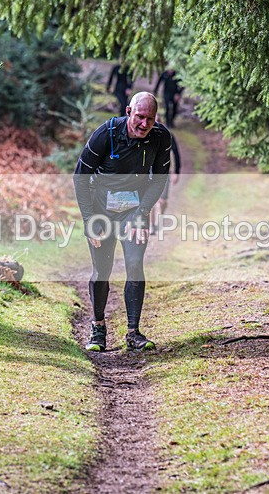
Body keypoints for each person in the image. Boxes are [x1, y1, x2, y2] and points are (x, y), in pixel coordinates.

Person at [73, 92, 173, 352]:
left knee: (134, 263)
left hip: (134, 210)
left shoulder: (161, 137)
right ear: (129, 111)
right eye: (140, 117)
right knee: (102, 270)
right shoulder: (105, 134)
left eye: (150, 119)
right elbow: (80, 177)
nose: (144, 124)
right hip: (100, 208)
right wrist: (88, 220)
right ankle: (98, 329)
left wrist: (141, 213)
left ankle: (133, 332)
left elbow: (159, 180)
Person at [149, 137, 181, 235]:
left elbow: (175, 154)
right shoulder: (146, 135)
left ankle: (160, 220)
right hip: (149, 172)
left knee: (162, 200)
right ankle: (151, 225)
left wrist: (176, 172)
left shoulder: (168, 136)